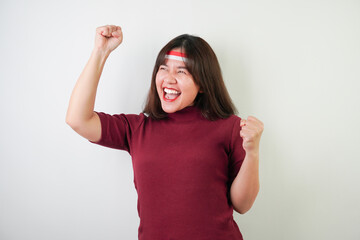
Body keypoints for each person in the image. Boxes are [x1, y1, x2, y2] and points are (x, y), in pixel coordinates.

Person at [66, 25, 264, 240]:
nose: (169, 79)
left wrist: (252, 153)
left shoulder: (231, 127)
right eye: (163, 68)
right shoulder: (137, 129)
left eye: (181, 71)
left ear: (204, 84)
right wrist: (100, 52)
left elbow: (242, 205)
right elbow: (78, 119)